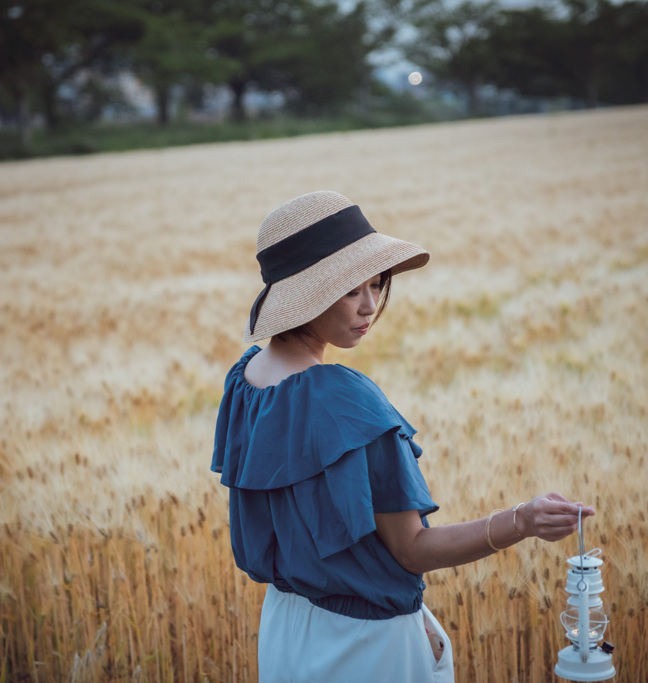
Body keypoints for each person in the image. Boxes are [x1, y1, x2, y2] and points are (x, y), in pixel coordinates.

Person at [211, 191, 595, 682]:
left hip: (285, 629)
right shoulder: (345, 399)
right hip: (362, 647)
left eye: (377, 285)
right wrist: (522, 520)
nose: (370, 306)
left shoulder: (245, 381)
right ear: (307, 294)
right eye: (352, 290)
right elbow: (411, 549)